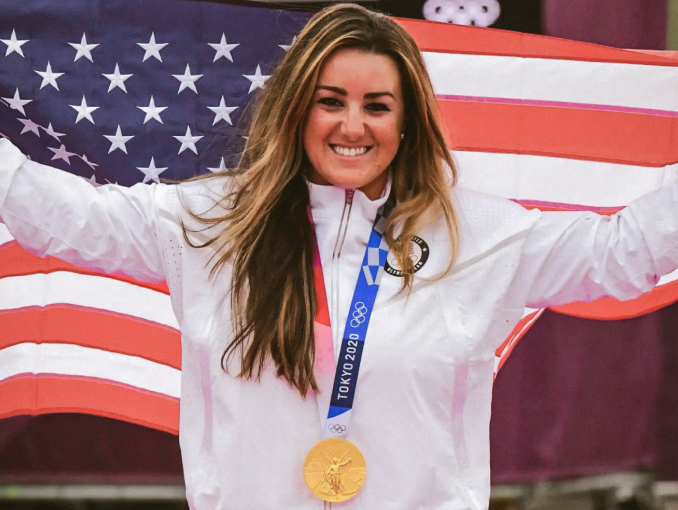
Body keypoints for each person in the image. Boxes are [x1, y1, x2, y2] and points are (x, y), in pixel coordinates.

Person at [0, 3, 677, 509]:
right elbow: (60, 219)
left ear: (407, 119)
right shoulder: (209, 224)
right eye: (331, 102)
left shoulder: (480, 237)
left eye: (376, 105)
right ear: (297, 110)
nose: (353, 125)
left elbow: (624, 257)